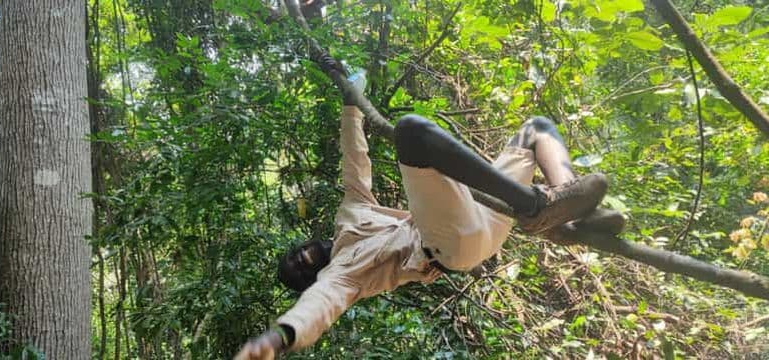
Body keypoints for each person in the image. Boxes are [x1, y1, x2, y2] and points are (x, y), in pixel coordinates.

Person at [235, 59, 624, 359]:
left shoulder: (351, 214)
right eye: (300, 269)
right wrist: (280, 336)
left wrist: (350, 103)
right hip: (451, 245)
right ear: (312, 276)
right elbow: (317, 308)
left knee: (536, 129)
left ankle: (565, 214)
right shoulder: (340, 277)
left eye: (294, 256)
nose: (302, 258)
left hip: (482, 211)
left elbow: (354, 160)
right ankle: (540, 209)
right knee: (412, 132)